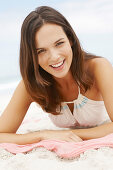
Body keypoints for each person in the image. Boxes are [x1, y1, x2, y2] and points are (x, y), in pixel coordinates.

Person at [0, 6, 113, 145]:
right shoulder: (31, 84)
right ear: (32, 56)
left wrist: (64, 135)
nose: (54, 57)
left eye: (59, 43)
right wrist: (43, 135)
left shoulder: (98, 67)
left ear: (70, 39)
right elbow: (2, 134)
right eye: (41, 51)